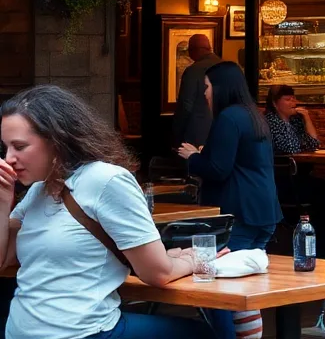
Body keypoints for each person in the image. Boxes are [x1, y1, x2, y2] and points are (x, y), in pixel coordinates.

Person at [0, 86, 213, 339]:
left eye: (19, 147)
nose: (8, 158)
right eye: (6, 148)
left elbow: (152, 268)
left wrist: (171, 258)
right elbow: (159, 273)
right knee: (208, 332)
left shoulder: (102, 179)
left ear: (57, 140)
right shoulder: (39, 190)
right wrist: (195, 260)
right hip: (80, 333)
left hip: (26, 332)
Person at [177, 61, 282, 339]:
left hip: (238, 212)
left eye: (208, 86)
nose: (205, 93)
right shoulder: (254, 115)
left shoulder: (228, 118)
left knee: (217, 287)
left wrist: (194, 157)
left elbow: (218, 169)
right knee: (244, 287)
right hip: (264, 210)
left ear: (220, 87)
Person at [171, 32, 221, 147]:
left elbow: (185, 105)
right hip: (224, 133)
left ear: (195, 50)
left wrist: (176, 135)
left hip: (197, 136)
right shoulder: (227, 67)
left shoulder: (193, 71)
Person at [265, 84, 320, 155]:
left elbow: (314, 144)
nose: (294, 102)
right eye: (288, 99)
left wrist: (307, 117)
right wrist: (303, 145)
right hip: (281, 164)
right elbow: (291, 148)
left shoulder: (295, 120)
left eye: (294, 99)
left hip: (299, 162)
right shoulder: (271, 121)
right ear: (274, 103)